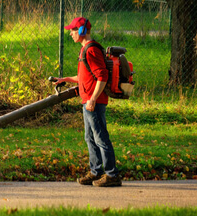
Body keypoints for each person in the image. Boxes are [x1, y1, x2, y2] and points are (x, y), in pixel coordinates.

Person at [53, 17, 121, 187]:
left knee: (100, 138)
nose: (70, 34)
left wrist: (93, 99)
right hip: (89, 101)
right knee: (90, 138)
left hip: (94, 102)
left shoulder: (90, 50)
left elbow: (102, 76)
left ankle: (112, 174)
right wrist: (65, 79)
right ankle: (95, 172)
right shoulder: (85, 50)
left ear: (82, 31)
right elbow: (85, 76)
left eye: (73, 30)